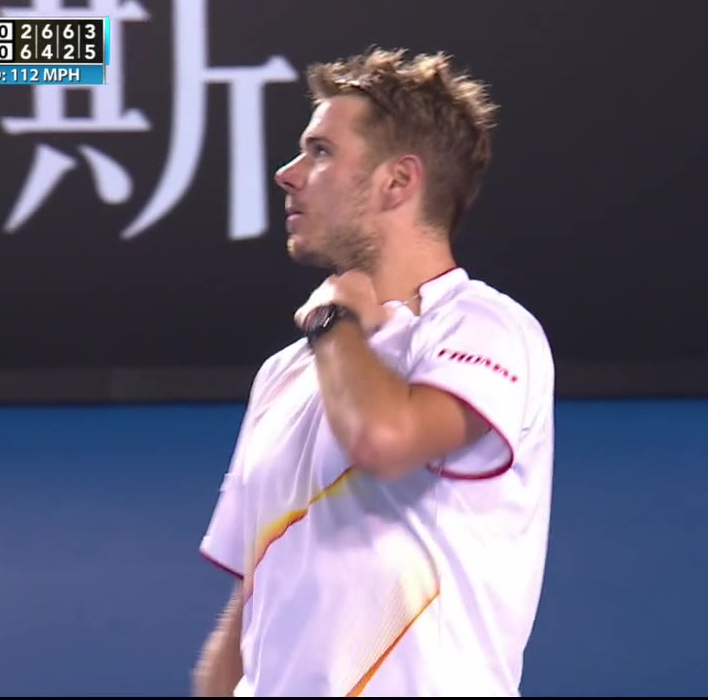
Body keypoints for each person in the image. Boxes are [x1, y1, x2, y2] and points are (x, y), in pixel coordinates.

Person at [193, 47, 555, 697]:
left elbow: (383, 440)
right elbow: (255, 600)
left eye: (320, 152)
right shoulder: (283, 374)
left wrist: (336, 322)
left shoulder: (488, 328)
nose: (287, 174)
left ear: (398, 181)